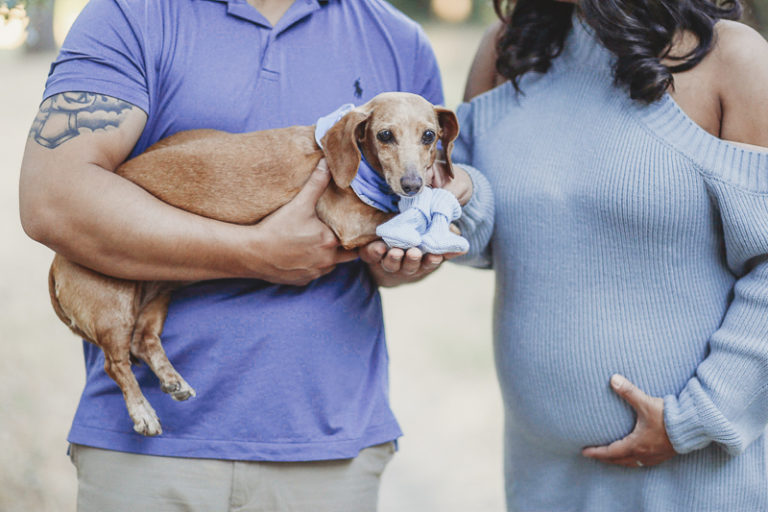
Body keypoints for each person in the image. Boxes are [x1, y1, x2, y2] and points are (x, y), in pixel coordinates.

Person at [17, 0, 486, 510]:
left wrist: (407, 256)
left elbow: (405, 239)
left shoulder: (399, 38)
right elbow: (51, 201)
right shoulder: (129, 15)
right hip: (145, 459)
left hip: (330, 449)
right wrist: (254, 253)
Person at [453, 0, 768, 509]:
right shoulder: (507, 48)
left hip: (698, 483)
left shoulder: (731, 58)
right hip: (544, 480)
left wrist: (693, 420)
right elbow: (481, 234)